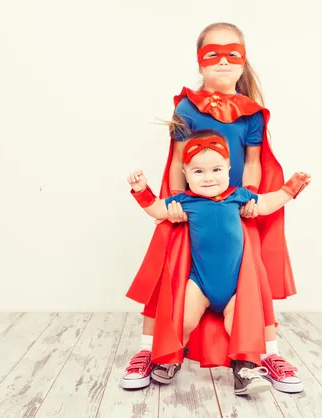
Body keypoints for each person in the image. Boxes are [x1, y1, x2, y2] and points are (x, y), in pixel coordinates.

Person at [121, 22, 305, 394]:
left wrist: (251, 197)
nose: (222, 61)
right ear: (200, 62)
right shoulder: (187, 107)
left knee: (253, 283)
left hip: (236, 207)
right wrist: (174, 204)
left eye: (232, 53)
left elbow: (253, 161)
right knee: (167, 275)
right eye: (212, 54)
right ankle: (150, 350)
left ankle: (265, 353)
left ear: (243, 62)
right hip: (189, 207)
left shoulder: (252, 112)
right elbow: (176, 161)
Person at [128, 130, 310, 394]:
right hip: (200, 282)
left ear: (228, 169)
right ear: (186, 173)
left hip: (237, 286)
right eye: (198, 172)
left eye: (215, 169)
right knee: (183, 320)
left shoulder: (238, 197)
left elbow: (268, 204)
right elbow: (157, 209)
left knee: (243, 324)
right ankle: (171, 359)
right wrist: (141, 190)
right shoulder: (185, 201)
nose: (208, 177)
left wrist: (290, 189)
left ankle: (244, 370)